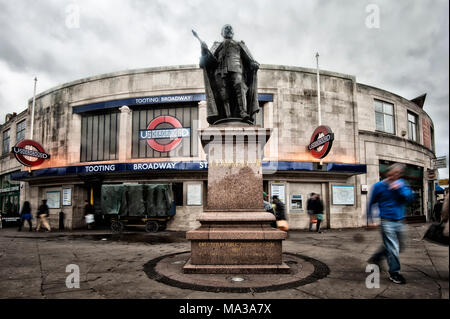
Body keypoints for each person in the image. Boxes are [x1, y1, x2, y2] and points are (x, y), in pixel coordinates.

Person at [198, 24, 260, 124]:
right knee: (223, 94)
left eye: (230, 29)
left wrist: (253, 63)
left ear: (233, 33)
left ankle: (243, 112)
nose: (228, 30)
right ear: (221, 33)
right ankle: (227, 116)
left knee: (240, 87)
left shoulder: (239, 44)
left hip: (236, 68)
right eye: (226, 29)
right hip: (219, 71)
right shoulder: (216, 45)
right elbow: (205, 61)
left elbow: (250, 59)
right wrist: (204, 50)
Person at [367, 163, 414, 284]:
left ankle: (377, 257)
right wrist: (370, 219)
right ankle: (394, 273)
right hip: (386, 221)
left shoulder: (402, 184)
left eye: (398, 174)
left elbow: (409, 199)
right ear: (388, 173)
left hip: (400, 220)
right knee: (393, 248)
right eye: (393, 173)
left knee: (401, 246)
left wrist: (399, 189)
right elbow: (371, 202)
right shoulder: (379, 186)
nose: (395, 175)